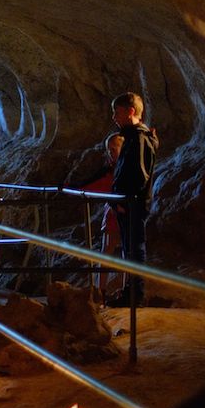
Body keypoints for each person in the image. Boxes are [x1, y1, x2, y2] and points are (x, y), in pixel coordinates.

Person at [108, 92, 158, 306]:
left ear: (130, 111)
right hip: (129, 202)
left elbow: (137, 175)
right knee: (131, 248)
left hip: (132, 203)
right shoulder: (133, 137)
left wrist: (124, 199)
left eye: (117, 112)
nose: (114, 117)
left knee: (134, 248)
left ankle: (135, 295)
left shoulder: (138, 138)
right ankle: (131, 292)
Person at [80, 132, 125, 297]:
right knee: (107, 251)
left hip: (124, 214)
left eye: (114, 149)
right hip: (114, 215)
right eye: (109, 150)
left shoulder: (126, 168)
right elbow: (95, 183)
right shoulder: (111, 169)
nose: (111, 152)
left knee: (124, 254)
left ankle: (123, 290)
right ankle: (101, 292)